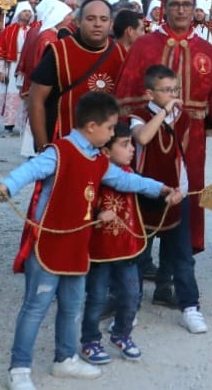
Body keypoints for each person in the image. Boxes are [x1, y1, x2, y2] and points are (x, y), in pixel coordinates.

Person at [0, 92, 177, 390]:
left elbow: (126, 180)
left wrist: (161, 189)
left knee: (73, 305)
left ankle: (65, 359)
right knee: (35, 307)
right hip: (49, 245)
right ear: (91, 126)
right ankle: (19, 369)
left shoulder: (98, 160)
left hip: (77, 247)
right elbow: (29, 170)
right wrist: (6, 187)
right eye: (111, 128)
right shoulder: (59, 152)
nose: (114, 134)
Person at [116, 0, 212, 258]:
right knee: (143, 192)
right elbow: (124, 94)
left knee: (183, 196)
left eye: (186, 5)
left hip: (190, 141)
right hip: (147, 137)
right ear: (165, 8)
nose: (181, 10)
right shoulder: (144, 46)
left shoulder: (207, 50)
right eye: (174, 4)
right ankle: (138, 259)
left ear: (194, 10)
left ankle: (171, 271)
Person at [129, 65, 205, 332]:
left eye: (175, 89)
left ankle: (190, 306)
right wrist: (163, 112)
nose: (173, 95)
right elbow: (144, 138)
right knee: (138, 254)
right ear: (150, 93)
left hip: (174, 194)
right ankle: (130, 305)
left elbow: (182, 158)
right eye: (166, 90)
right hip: (144, 194)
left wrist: (182, 190)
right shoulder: (138, 116)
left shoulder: (182, 117)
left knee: (182, 254)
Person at [79, 122, 161, 365]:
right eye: (125, 145)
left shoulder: (129, 174)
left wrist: (167, 193)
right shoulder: (94, 175)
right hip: (100, 252)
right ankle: (90, 341)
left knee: (131, 294)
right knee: (95, 297)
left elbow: (143, 188)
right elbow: (83, 205)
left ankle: (122, 334)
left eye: (131, 144)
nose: (131, 150)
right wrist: (96, 214)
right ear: (105, 151)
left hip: (127, 248)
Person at [27, 0, 127, 152]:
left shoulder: (121, 54)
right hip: (64, 143)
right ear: (78, 22)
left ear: (111, 24)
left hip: (108, 150)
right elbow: (36, 99)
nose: (97, 24)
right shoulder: (59, 52)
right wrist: (43, 148)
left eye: (103, 19)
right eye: (90, 18)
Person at [0, 1, 34, 134]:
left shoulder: (34, 30)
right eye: (25, 11)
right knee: (11, 93)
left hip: (28, 66)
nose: (27, 14)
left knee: (26, 94)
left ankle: (24, 125)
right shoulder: (9, 30)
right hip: (13, 65)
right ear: (19, 13)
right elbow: (1, 50)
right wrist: (1, 70)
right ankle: (9, 125)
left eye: (29, 11)